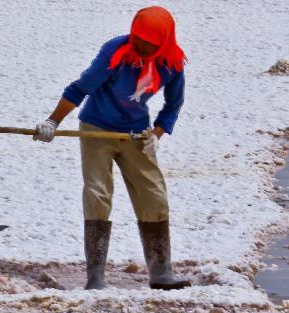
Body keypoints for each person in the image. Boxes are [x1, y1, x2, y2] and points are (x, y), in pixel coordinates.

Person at [33, 6, 191, 290]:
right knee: (98, 193)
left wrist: (156, 135)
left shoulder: (171, 64)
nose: (142, 47)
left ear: (164, 42)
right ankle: (96, 278)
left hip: (136, 135)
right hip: (97, 130)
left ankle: (161, 272)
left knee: (153, 195)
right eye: (138, 40)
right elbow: (79, 89)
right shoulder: (116, 52)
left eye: (149, 44)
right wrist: (52, 122)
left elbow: (173, 105)